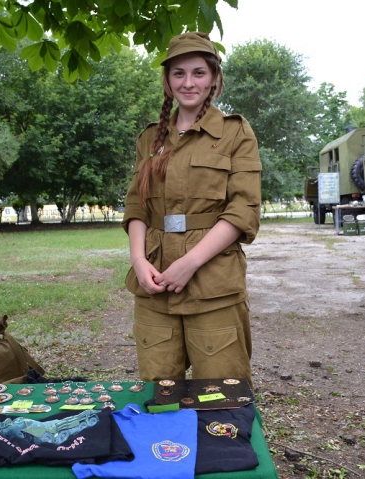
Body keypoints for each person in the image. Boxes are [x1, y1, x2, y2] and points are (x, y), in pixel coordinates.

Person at [122, 32, 262, 384]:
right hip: (155, 284)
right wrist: (139, 262)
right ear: (167, 81)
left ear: (214, 77)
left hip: (212, 284)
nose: (188, 83)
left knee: (222, 396)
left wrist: (190, 263)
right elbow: (137, 206)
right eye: (178, 73)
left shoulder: (235, 133)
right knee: (159, 396)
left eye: (198, 73)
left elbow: (243, 208)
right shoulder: (149, 138)